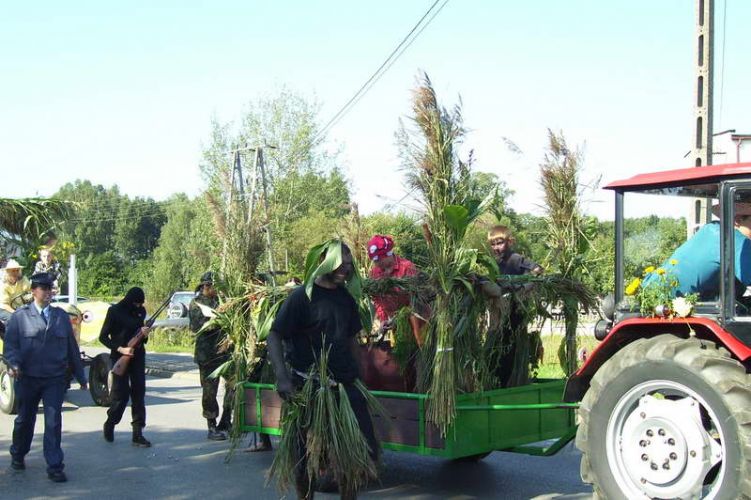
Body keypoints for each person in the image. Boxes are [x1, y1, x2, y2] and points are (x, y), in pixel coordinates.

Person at [267, 241, 379, 499]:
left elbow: (351, 339)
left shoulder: (346, 298)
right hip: (310, 388)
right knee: (303, 460)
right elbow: (275, 335)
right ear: (324, 263)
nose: (346, 270)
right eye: (341, 264)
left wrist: (359, 380)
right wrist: (282, 378)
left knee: (353, 458)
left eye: (350, 265)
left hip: (345, 387)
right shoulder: (301, 297)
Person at [3, 273, 87, 483]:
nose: (48, 292)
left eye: (50, 288)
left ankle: (55, 466)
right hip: (28, 378)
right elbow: (11, 347)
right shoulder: (20, 317)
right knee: (25, 420)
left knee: (53, 422)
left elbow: (71, 348)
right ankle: (18, 453)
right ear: (33, 291)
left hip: (54, 378)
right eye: (43, 288)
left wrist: (80, 375)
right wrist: (14, 364)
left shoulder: (60, 317)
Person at [647, 202, 751, 300]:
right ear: (737, 220)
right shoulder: (733, 239)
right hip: (664, 308)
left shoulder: (713, 229)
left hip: (651, 298)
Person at [487, 225, 543, 387]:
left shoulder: (515, 259)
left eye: (500, 243)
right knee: (497, 347)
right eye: (493, 244)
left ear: (509, 242)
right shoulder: (493, 263)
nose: (496, 247)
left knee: (511, 349)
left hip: (515, 313)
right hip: (499, 314)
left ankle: (509, 383)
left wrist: (522, 286)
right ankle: (497, 382)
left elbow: (538, 269)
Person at [99, 287, 152, 447]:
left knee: (139, 393)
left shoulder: (141, 311)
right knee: (120, 396)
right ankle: (110, 422)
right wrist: (121, 349)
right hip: (120, 356)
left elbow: (140, 338)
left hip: (137, 357)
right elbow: (103, 337)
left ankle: (138, 433)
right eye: (136, 303)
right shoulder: (114, 311)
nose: (138, 306)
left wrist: (145, 334)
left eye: (140, 304)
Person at [188, 271, 234, 442]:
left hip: (224, 353)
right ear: (206, 286)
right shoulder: (196, 304)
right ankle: (211, 425)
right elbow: (200, 326)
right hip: (206, 355)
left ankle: (226, 419)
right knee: (209, 392)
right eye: (214, 286)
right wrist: (220, 315)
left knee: (234, 385)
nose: (217, 290)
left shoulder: (219, 301)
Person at [366, 234, 425, 346]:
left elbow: (417, 299)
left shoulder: (407, 267)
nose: (376, 263)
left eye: (378, 259)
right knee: (402, 352)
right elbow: (378, 299)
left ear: (388, 254)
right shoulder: (375, 273)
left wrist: (401, 317)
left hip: (416, 321)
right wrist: (384, 319)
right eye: (374, 260)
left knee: (420, 348)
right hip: (394, 324)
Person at [0, 259, 31, 324]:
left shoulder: (23, 279)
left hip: (20, 306)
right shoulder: (3, 285)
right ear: (7, 272)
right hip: (5, 308)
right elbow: (4, 304)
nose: (16, 273)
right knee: (14, 320)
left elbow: (32, 290)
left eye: (17, 270)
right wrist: (16, 313)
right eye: (13, 271)